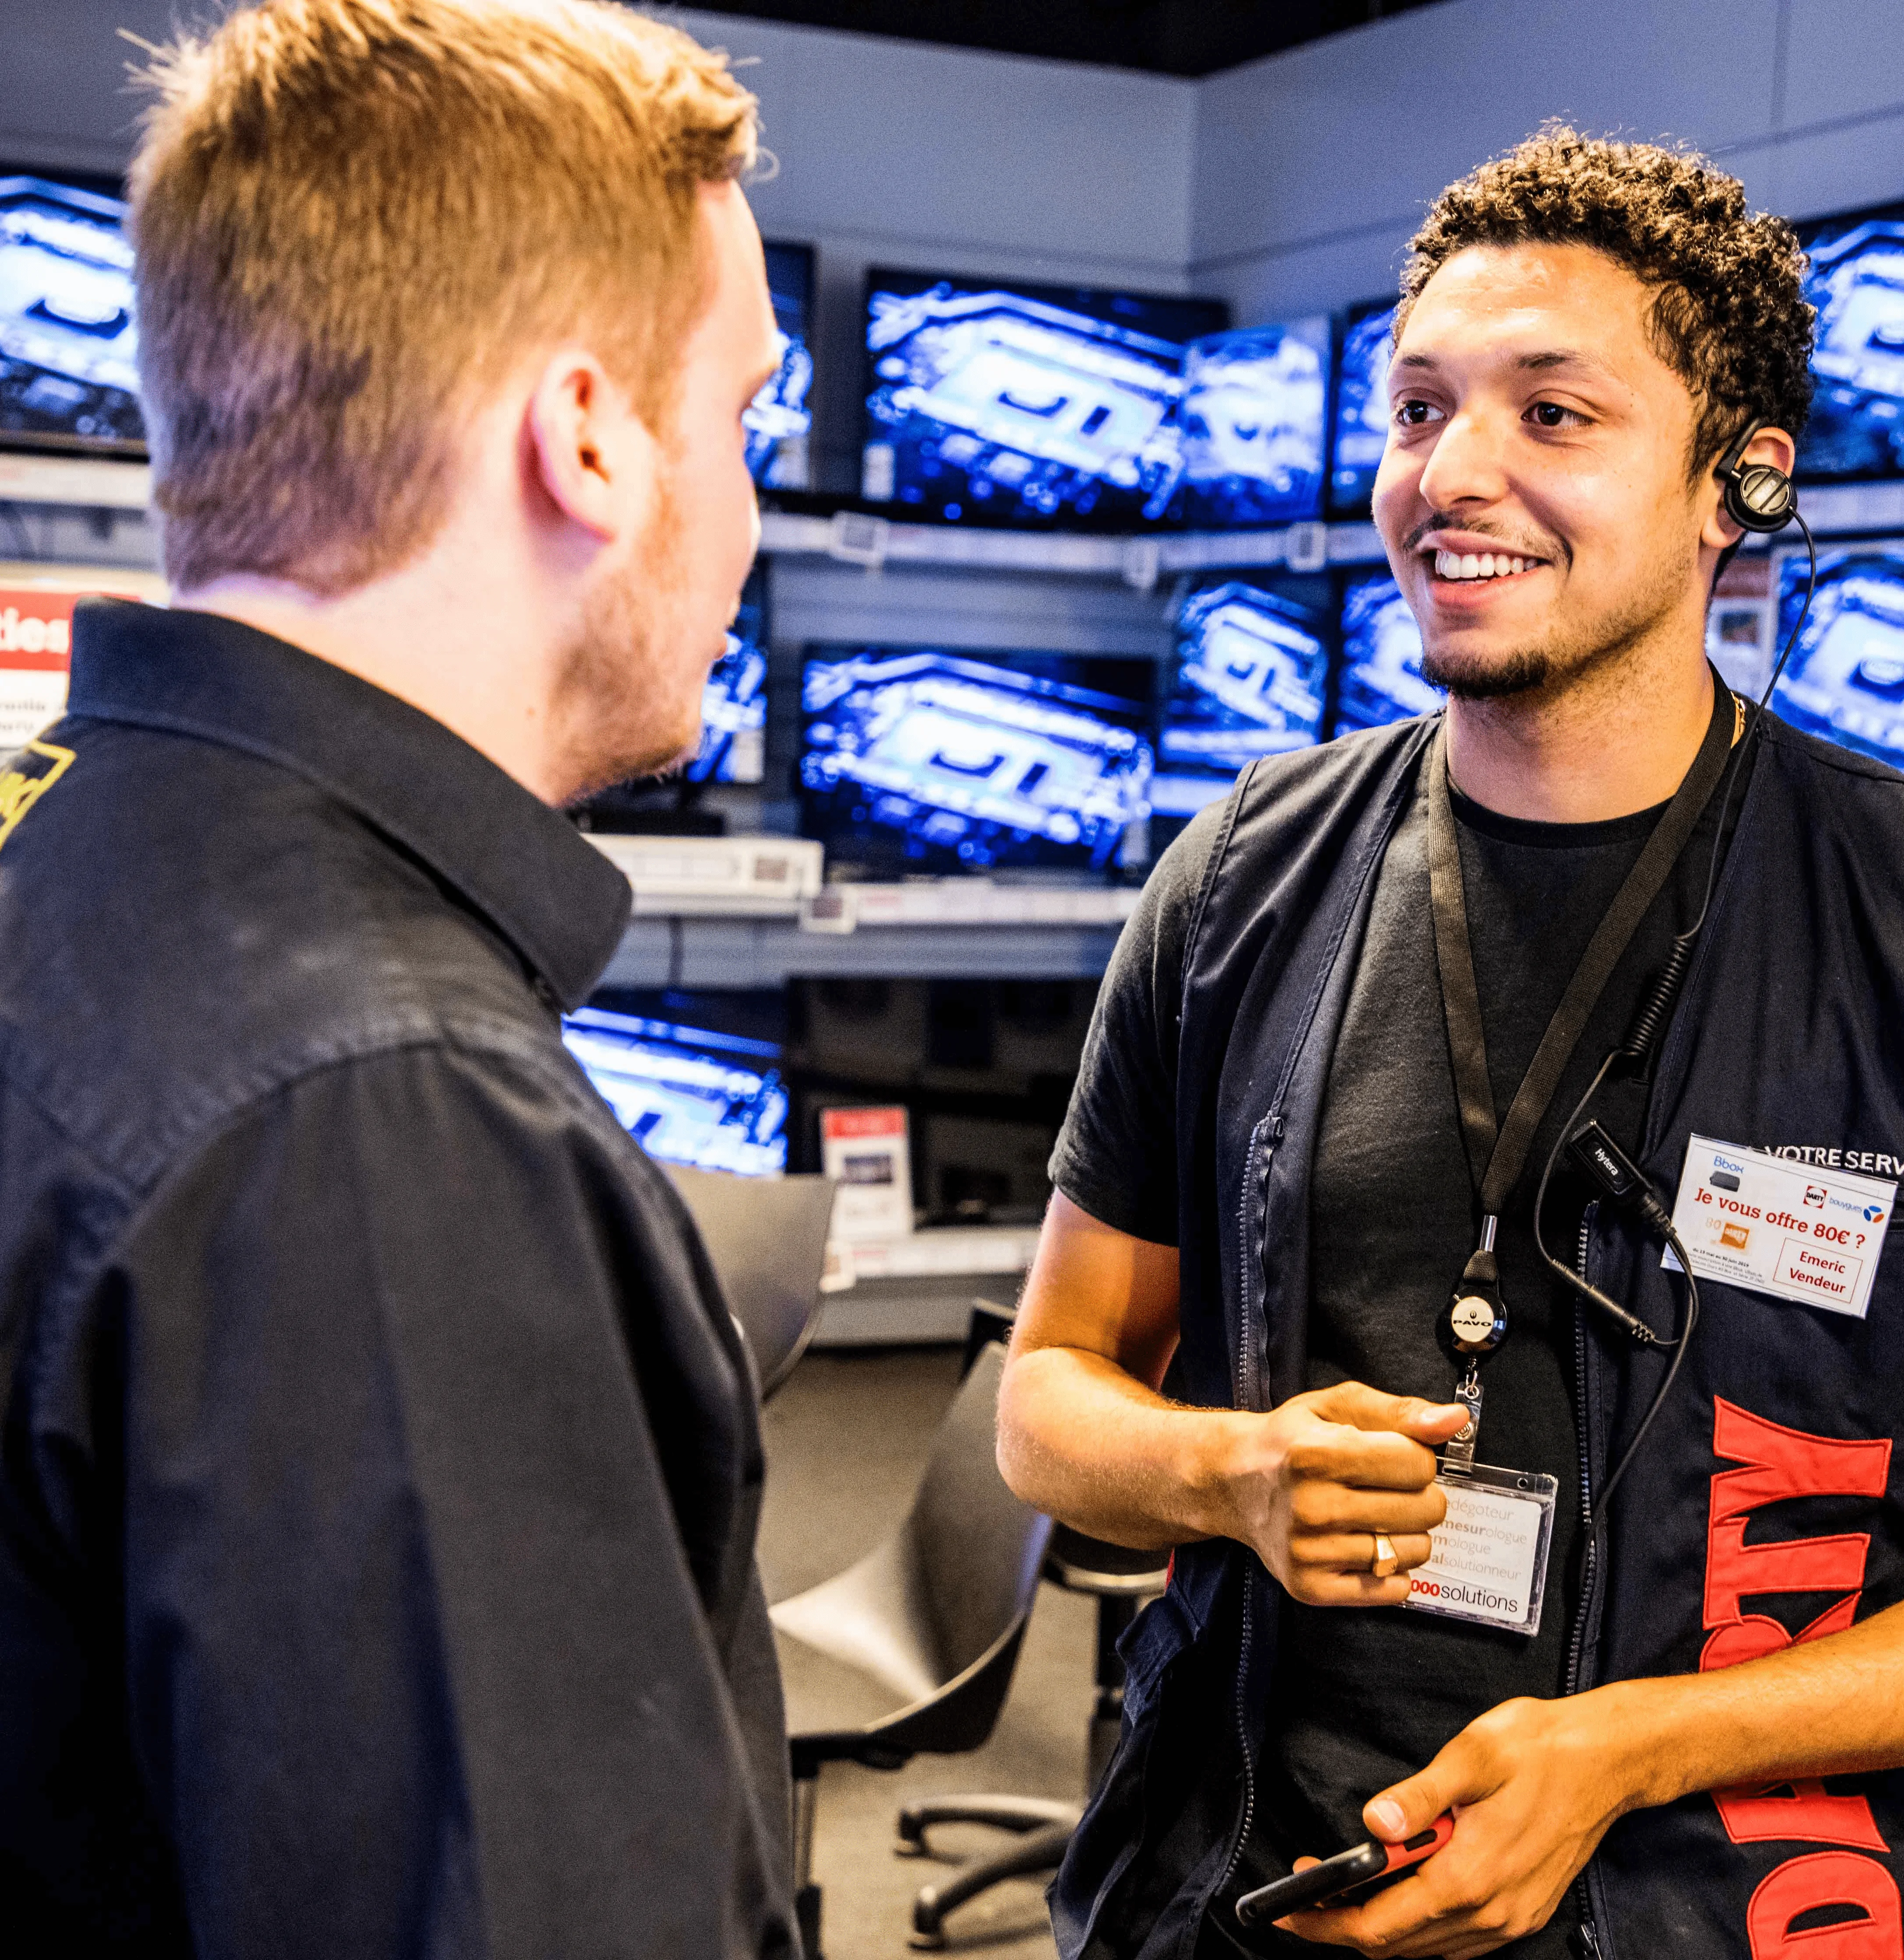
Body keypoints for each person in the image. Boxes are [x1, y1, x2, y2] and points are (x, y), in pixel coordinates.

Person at [999, 126, 1904, 1960]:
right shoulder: (1245, 872)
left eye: (1552, 415)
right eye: (1418, 409)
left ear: (1740, 482)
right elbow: (1048, 1393)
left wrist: (1625, 1750)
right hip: (1249, 1881)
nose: (1453, 473)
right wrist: (1222, 1471)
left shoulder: (1881, 910)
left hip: (1728, 1902)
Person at [0, 2, 796, 1953]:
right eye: (741, 420)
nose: (750, 512)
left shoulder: (57, 851)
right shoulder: (389, 1132)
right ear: (592, 438)